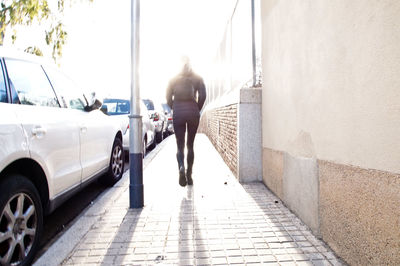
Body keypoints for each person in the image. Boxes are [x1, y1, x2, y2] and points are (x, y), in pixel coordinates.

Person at [166, 57, 206, 187]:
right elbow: (203, 96)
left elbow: (167, 98)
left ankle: (181, 167)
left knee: (180, 146)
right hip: (192, 111)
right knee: (190, 145)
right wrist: (196, 108)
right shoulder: (198, 78)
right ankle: (189, 175)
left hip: (178, 111)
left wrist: (175, 107)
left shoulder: (173, 79)